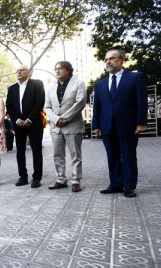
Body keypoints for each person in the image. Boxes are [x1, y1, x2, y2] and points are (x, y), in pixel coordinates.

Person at [92, 49, 148, 198]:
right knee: (112, 156)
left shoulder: (135, 78)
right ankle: (115, 184)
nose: (108, 62)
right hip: (107, 126)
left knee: (128, 155)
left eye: (112, 58)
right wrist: (95, 125)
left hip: (128, 126)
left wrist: (141, 122)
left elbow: (141, 102)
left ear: (122, 60)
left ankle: (129, 186)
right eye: (106, 59)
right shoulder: (100, 84)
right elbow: (97, 106)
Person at [44, 61, 86, 193]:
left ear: (68, 70)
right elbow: (47, 107)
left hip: (72, 124)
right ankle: (61, 179)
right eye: (55, 69)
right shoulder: (50, 88)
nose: (57, 71)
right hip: (56, 127)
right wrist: (56, 119)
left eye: (60, 68)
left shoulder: (79, 84)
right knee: (57, 155)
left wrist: (65, 118)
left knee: (75, 155)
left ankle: (76, 181)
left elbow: (80, 103)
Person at [6, 65, 46, 188]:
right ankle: (23, 177)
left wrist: (30, 119)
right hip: (18, 125)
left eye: (22, 70)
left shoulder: (37, 84)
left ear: (28, 72)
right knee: (20, 151)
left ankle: (36, 178)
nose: (19, 72)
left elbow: (40, 102)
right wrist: (16, 119)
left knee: (36, 150)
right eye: (17, 71)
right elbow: (10, 106)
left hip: (34, 123)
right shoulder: (12, 88)